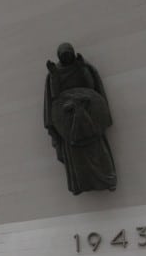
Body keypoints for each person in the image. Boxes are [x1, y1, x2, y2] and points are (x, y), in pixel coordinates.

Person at [43, 42, 116, 195]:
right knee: (76, 158)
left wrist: (82, 69)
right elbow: (55, 96)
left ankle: (108, 180)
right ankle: (79, 185)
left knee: (98, 151)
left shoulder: (82, 67)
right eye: (63, 55)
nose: (66, 57)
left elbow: (90, 86)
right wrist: (55, 76)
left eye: (68, 54)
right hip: (69, 121)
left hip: (89, 113)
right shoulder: (54, 72)